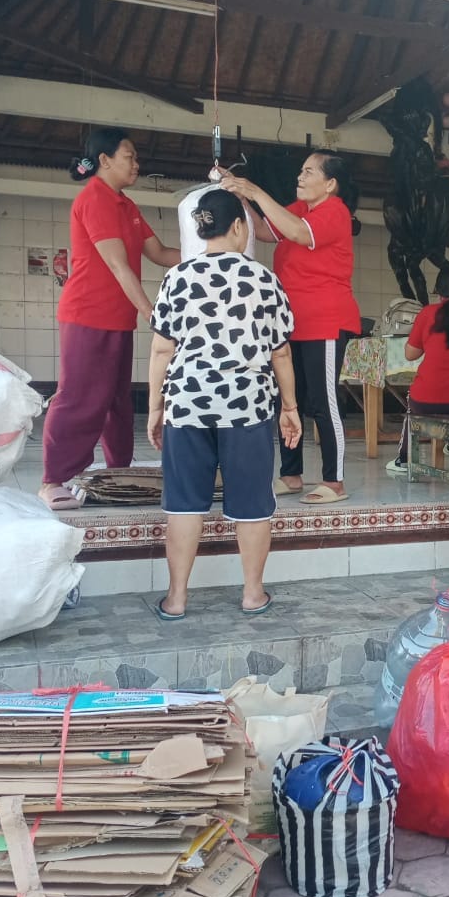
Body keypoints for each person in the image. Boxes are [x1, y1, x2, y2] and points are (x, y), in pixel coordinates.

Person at [147, 189, 300, 620]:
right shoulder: (264, 280)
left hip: (188, 404)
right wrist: (289, 407)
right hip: (248, 407)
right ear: (239, 227)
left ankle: (176, 599)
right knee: (252, 504)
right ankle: (253, 594)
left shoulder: (176, 278)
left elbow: (162, 351)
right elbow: (281, 353)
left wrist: (157, 407)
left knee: (184, 503)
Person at [38, 128, 180, 511]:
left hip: (118, 319)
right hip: (87, 314)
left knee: (117, 400)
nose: (136, 163)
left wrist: (212, 253)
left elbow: (162, 253)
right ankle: (53, 479)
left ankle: (118, 471)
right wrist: (153, 312)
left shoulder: (127, 206)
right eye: (129, 156)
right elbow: (118, 267)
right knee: (80, 398)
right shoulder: (95, 200)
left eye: (135, 157)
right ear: (105, 160)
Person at [221, 151, 360, 505]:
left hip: (325, 319)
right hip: (291, 321)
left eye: (308, 171)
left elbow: (298, 234)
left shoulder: (335, 211)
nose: (300, 176)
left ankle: (335, 481)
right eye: (301, 169)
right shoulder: (302, 209)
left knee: (323, 402)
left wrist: (253, 190)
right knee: (289, 399)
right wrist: (242, 199)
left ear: (330, 184)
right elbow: (269, 230)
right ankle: (291, 474)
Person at [386, 265, 449, 476]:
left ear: (439, 292)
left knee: (412, 403)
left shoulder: (428, 313)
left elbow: (410, 354)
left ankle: (403, 460)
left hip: (427, 401)